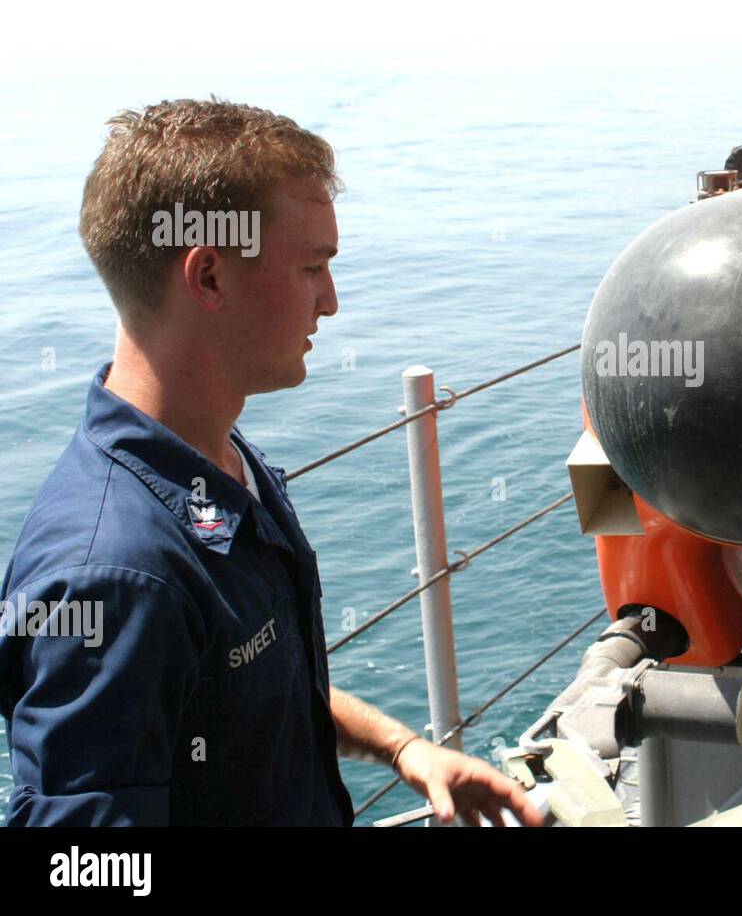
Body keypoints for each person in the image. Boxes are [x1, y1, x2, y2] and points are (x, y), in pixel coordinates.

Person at [0, 99, 542, 828]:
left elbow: (250, 695)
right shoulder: (116, 574)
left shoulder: (219, 464)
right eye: (312, 266)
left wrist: (404, 748)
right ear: (210, 276)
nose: (332, 301)